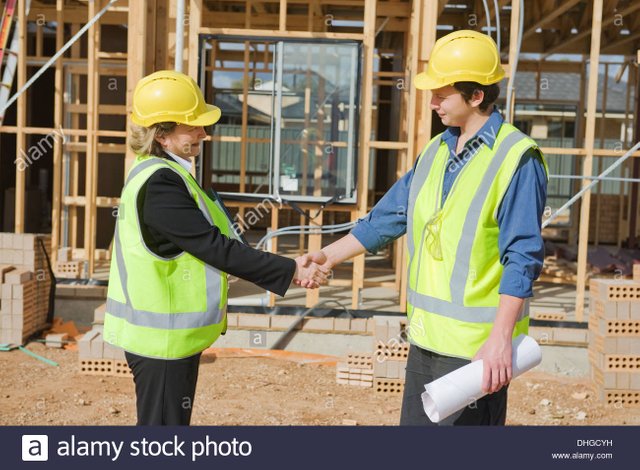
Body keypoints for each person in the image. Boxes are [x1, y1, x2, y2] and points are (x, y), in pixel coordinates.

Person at [300, 30, 548, 425]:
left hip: (476, 352)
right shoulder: (435, 151)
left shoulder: (517, 158)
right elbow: (389, 218)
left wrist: (500, 339)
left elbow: (522, 256)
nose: (432, 102)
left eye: (442, 94)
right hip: (424, 341)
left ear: (477, 95)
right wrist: (328, 256)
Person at [103, 70, 328, 426]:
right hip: (162, 343)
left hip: (170, 340)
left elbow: (220, 244)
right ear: (162, 133)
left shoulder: (162, 173)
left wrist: (287, 265)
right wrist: (292, 271)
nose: (204, 134)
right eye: (193, 127)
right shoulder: (161, 183)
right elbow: (213, 247)